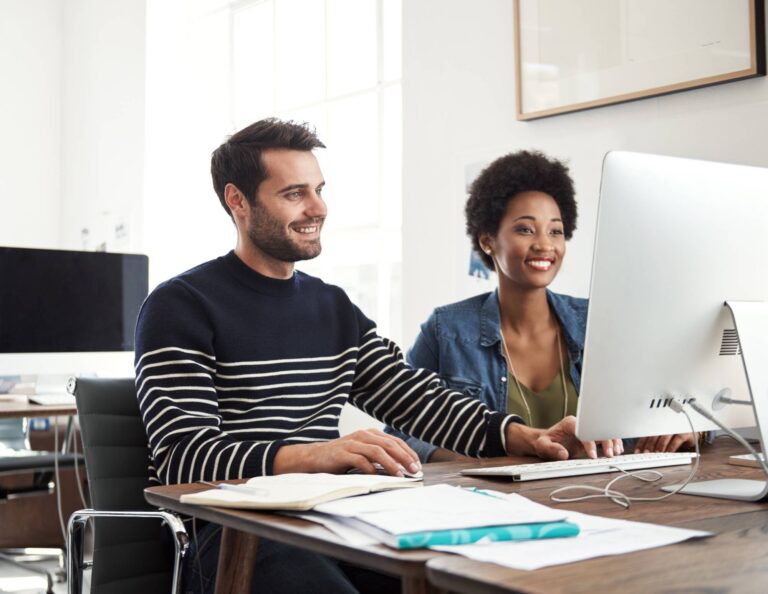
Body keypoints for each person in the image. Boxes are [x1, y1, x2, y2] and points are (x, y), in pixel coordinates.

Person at [135, 121, 611, 594]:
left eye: (319, 189)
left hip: (331, 520)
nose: (318, 207)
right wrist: (316, 456)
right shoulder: (181, 305)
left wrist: (524, 435)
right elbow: (183, 458)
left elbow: (418, 398)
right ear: (237, 200)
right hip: (227, 536)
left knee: (468, 579)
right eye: (294, 193)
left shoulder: (333, 307)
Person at [387, 150, 695, 463]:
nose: (544, 245)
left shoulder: (599, 322)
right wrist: (469, 459)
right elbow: (398, 431)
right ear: (487, 240)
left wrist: (690, 428)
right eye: (525, 229)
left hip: (598, 495)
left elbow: (679, 402)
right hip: (487, 501)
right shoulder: (446, 330)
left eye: (555, 231)